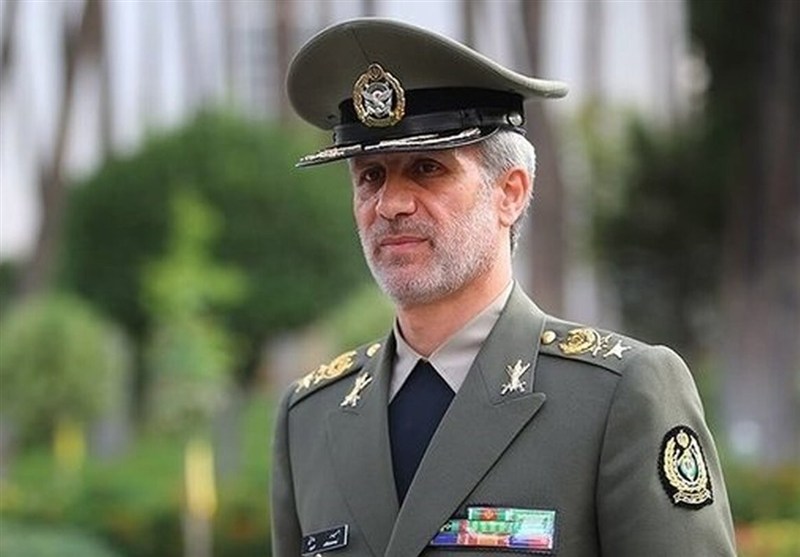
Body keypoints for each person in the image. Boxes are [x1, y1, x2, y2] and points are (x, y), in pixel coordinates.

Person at [271, 18, 736, 557]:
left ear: (510, 193)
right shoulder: (310, 416)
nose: (391, 204)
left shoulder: (615, 396)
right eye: (370, 176)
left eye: (427, 168)